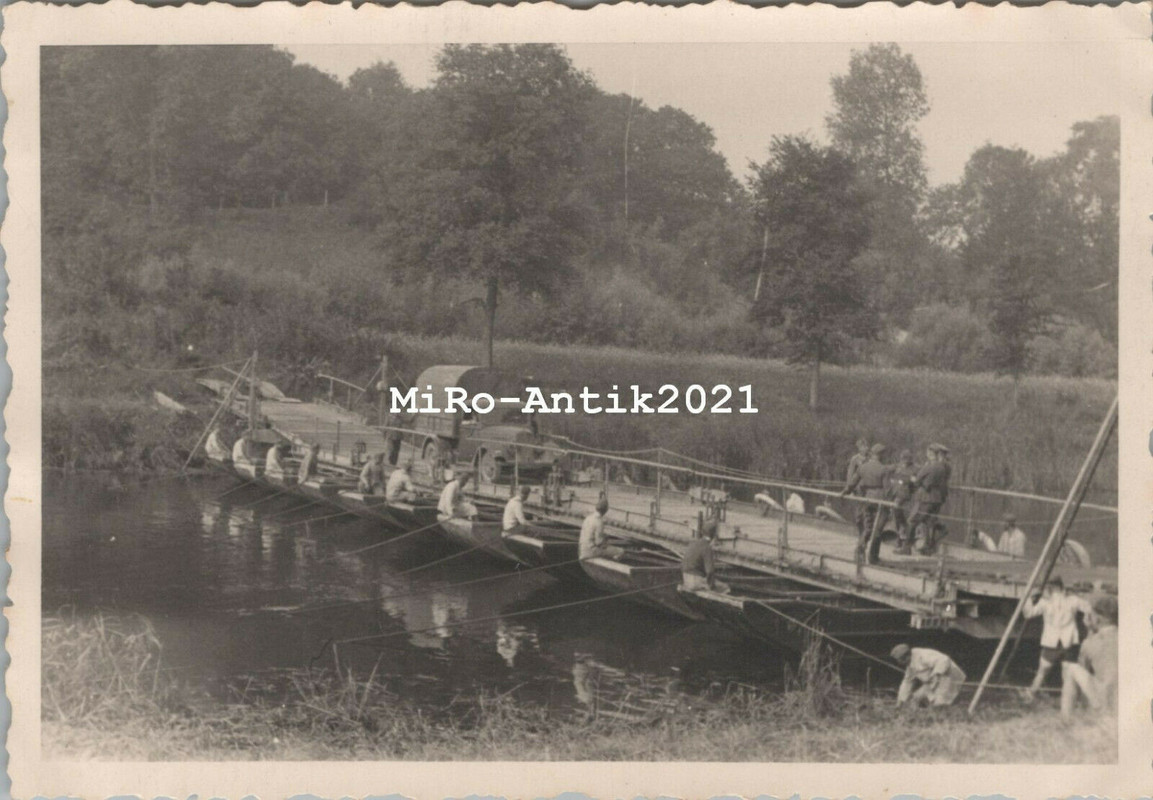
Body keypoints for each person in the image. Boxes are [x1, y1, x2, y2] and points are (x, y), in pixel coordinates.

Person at [1022, 576, 1096, 701]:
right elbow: (1090, 608)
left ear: (1049, 589)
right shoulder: (1073, 600)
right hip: (1070, 642)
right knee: (1067, 676)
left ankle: (1030, 695)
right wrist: (1087, 623)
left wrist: (1029, 598)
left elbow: (1028, 614)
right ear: (1062, 587)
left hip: (1051, 643)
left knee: (1042, 672)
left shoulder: (1045, 602)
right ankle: (1068, 701)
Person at [1061, 595, 1118, 717]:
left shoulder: (1091, 642)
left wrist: (1089, 631)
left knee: (1070, 668)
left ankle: (1066, 718)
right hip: (1125, 699)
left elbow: (1083, 673)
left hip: (1106, 698)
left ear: (1098, 619)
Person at [841, 443, 891, 564]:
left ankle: (860, 549)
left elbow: (852, 483)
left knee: (868, 527)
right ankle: (873, 557)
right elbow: (888, 489)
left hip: (867, 499)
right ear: (880, 455)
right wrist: (892, 502)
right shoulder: (883, 469)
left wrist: (844, 492)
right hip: (880, 500)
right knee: (878, 529)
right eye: (884, 454)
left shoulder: (863, 467)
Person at [899, 443, 951, 555]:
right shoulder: (943, 467)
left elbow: (917, 480)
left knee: (912, 521)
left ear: (930, 453)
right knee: (929, 522)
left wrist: (911, 479)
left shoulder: (929, 466)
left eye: (928, 452)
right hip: (937, 498)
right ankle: (928, 548)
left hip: (925, 497)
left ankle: (906, 548)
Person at [891, 643, 966, 708]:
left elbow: (944, 660)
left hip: (948, 676)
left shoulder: (922, 655)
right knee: (916, 697)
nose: (900, 663)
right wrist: (899, 702)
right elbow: (907, 682)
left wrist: (937, 674)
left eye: (900, 660)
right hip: (933, 681)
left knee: (940, 704)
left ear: (907, 656)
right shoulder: (910, 665)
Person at [682, 517, 730, 593]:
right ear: (713, 535)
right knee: (725, 587)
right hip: (695, 582)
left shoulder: (694, 543)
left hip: (685, 578)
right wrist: (712, 587)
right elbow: (710, 571)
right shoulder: (707, 548)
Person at [887, 450, 917, 550]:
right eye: (903, 459)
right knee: (897, 516)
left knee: (900, 515)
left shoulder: (915, 468)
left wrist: (904, 480)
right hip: (895, 493)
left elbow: (914, 481)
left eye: (906, 459)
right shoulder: (897, 466)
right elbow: (886, 470)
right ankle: (900, 536)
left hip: (905, 495)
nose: (904, 461)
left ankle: (902, 537)